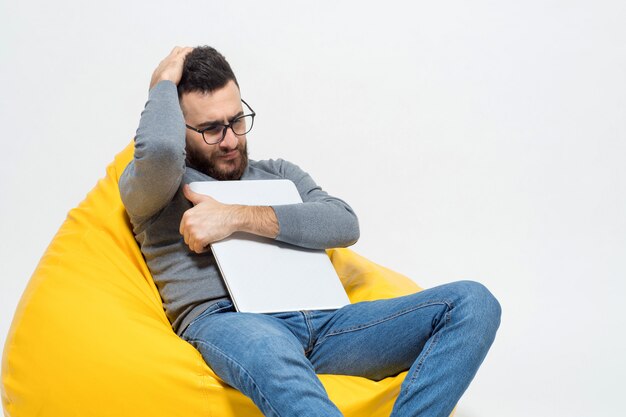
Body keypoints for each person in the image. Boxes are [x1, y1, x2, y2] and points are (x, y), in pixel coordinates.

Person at [119, 45, 501, 417]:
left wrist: (236, 216)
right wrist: (163, 85)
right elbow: (162, 153)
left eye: (236, 121)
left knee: (473, 302)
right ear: (179, 125)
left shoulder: (279, 173)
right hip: (232, 322)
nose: (232, 140)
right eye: (210, 129)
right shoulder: (158, 187)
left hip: (327, 322)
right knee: (270, 350)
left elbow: (343, 223)